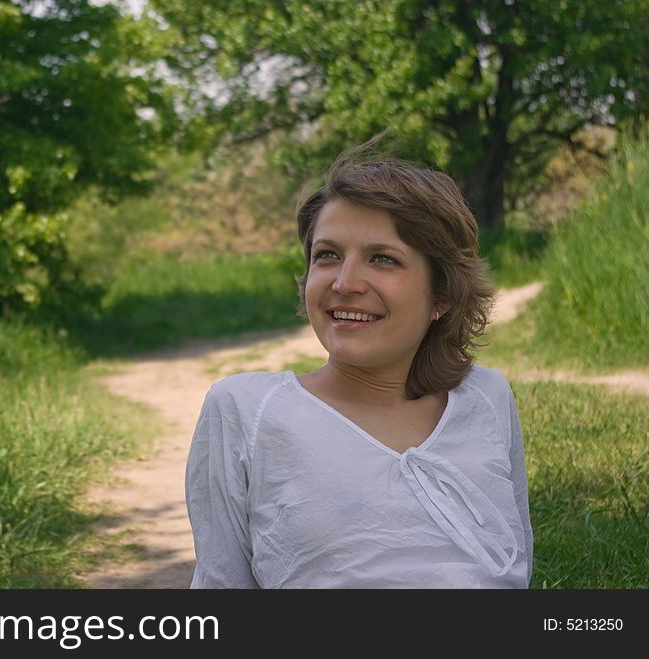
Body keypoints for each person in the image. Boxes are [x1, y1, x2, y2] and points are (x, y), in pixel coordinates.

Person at [184, 147, 533, 588]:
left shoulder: (485, 396)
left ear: (442, 295)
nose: (345, 283)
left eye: (382, 259)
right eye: (327, 255)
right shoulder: (245, 410)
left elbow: (519, 567)